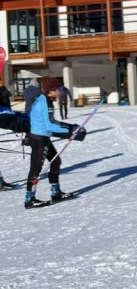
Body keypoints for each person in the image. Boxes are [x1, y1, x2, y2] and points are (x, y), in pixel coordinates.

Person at [24, 77, 84, 209]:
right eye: (59, 89)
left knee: (56, 161)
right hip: (39, 139)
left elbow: (47, 122)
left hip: (42, 136)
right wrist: (70, 129)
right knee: (36, 168)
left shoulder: (45, 99)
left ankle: (55, 192)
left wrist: (71, 127)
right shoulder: (45, 101)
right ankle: (29, 199)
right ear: (51, 90)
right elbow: (50, 124)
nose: (61, 91)